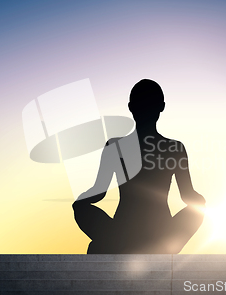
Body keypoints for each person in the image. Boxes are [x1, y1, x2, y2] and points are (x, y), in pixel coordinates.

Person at [72, 79, 206, 253]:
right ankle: (164, 247)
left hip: (123, 231)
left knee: (81, 208)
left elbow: (98, 192)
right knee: (197, 210)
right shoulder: (174, 148)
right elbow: (188, 196)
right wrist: (201, 201)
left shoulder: (115, 146)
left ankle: (114, 242)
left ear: (131, 107)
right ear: (161, 107)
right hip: (159, 231)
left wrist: (80, 202)